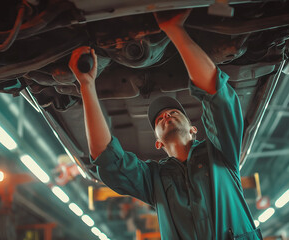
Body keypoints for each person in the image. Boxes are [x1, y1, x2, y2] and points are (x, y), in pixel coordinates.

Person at [69, 9, 263, 240]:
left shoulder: (221, 154)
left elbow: (217, 95)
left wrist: (175, 30)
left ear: (194, 129)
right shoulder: (154, 181)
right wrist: (86, 85)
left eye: (173, 112)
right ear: (158, 143)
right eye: (159, 119)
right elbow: (107, 158)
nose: (166, 115)